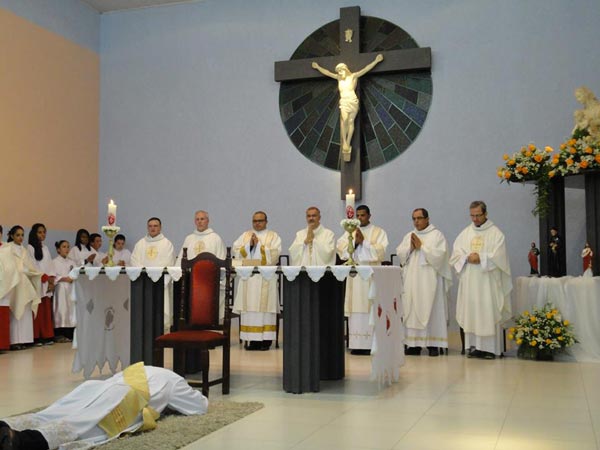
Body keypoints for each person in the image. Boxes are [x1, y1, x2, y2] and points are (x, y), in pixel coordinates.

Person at [0, 362, 208, 450]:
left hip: (99, 386)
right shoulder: (175, 381)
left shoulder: (145, 367)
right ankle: (22, 441)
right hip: (125, 399)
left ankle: (7, 425)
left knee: (57, 411)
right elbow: (200, 406)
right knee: (82, 425)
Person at [450, 201, 512, 359]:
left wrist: (482, 258)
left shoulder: (496, 233)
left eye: (478, 215)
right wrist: (467, 257)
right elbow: (455, 255)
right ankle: (476, 347)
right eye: (472, 215)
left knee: (487, 311)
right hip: (470, 281)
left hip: (488, 282)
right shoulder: (465, 233)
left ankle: (490, 349)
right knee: (472, 312)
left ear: (485, 214)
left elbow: (500, 257)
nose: (475, 219)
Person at [396, 208, 452, 357]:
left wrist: (422, 247)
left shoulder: (437, 235)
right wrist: (410, 247)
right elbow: (400, 254)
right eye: (414, 219)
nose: (416, 221)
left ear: (427, 219)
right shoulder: (409, 235)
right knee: (412, 309)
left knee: (432, 309)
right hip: (412, 279)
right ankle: (414, 345)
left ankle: (433, 344)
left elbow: (440, 256)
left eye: (419, 218)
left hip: (430, 280)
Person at [336, 205, 388, 354]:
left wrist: (363, 242)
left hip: (371, 276)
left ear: (369, 216)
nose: (359, 218)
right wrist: (356, 243)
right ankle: (356, 344)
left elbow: (380, 253)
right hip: (355, 278)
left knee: (370, 308)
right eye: (357, 216)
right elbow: (341, 251)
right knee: (356, 309)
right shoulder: (349, 232)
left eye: (363, 215)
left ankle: (370, 345)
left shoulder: (379, 232)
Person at [311, 54, 384, 161]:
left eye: (341, 71)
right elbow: (327, 73)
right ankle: (344, 142)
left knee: (350, 121)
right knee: (344, 119)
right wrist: (318, 67)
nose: (339, 73)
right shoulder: (339, 78)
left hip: (353, 101)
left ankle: (348, 142)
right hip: (344, 101)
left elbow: (366, 69)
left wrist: (376, 61)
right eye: (338, 72)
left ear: (345, 69)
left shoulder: (353, 76)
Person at [232, 211, 281, 351]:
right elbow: (236, 251)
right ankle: (252, 340)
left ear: (266, 221)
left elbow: (275, 254)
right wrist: (250, 246)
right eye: (255, 221)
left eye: (260, 221)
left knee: (265, 310)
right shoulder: (245, 236)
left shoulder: (273, 236)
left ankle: (266, 340)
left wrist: (259, 246)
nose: (257, 223)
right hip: (249, 279)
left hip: (265, 279)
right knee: (250, 310)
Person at [0, 226, 42, 351]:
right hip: (14, 282)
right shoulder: (8, 248)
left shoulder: (24, 250)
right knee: (15, 309)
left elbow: (29, 266)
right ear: (11, 236)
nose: (20, 237)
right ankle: (15, 340)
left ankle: (25, 339)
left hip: (25, 282)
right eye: (17, 235)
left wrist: (30, 272)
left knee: (25, 311)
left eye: (22, 235)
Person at [27, 224, 55, 345]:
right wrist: (44, 277)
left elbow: (50, 265)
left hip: (47, 281)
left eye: (44, 232)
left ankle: (47, 335)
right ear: (34, 233)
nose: (43, 234)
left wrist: (51, 279)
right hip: (37, 281)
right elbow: (32, 265)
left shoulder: (46, 248)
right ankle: (36, 336)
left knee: (46, 310)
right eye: (40, 232)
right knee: (37, 310)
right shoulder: (30, 247)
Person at [52, 240, 76, 343]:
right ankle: (59, 333)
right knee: (61, 309)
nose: (66, 249)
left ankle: (70, 332)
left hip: (70, 288)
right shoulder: (54, 262)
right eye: (64, 247)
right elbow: (53, 275)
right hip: (61, 288)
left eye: (68, 246)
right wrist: (64, 278)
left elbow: (76, 272)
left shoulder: (72, 262)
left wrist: (73, 278)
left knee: (70, 310)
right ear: (58, 249)